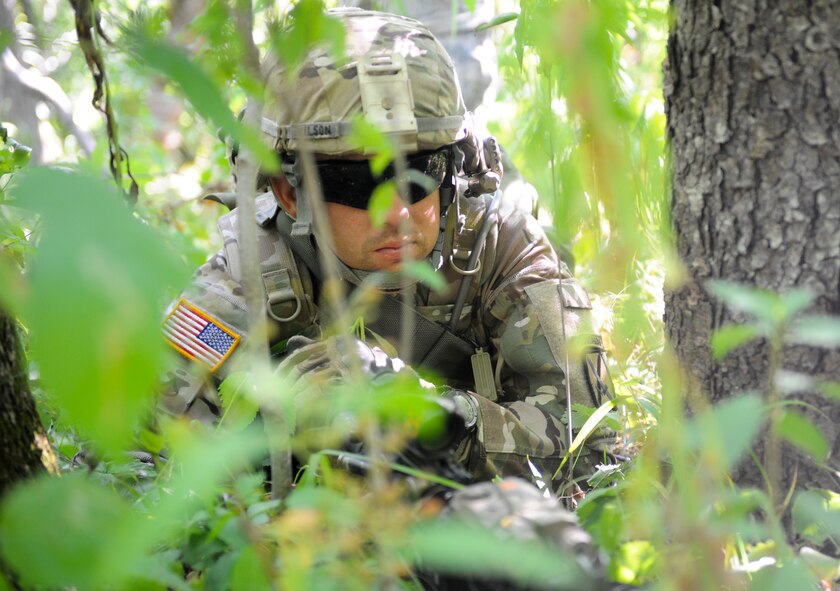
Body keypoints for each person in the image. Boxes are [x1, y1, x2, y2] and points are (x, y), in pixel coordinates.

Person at [160, 7, 616, 491]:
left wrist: (434, 416)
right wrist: (272, 427)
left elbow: (590, 446)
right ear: (290, 194)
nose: (397, 212)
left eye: (421, 173)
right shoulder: (252, 274)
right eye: (359, 184)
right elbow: (145, 457)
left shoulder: (502, 251)